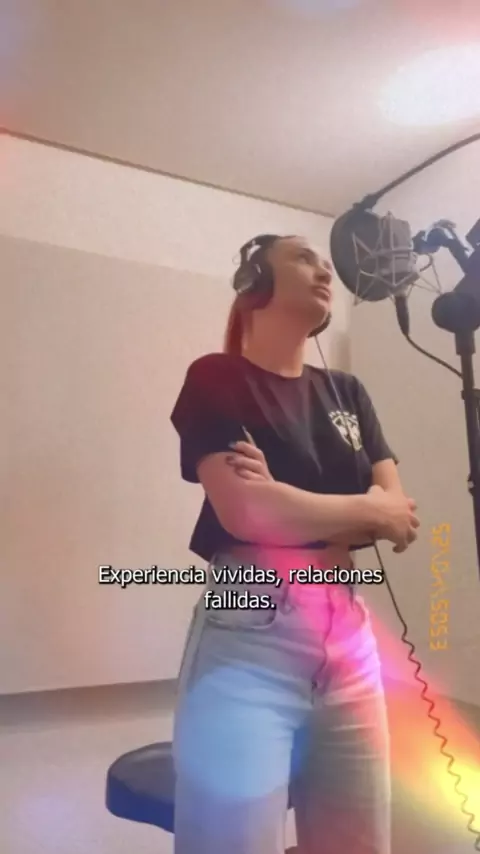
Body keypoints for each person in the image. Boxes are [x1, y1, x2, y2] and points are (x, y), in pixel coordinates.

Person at [169, 234, 420, 854]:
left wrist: (288, 501)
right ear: (254, 282)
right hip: (249, 633)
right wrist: (364, 510)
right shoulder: (216, 377)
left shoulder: (348, 392)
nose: (325, 269)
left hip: (349, 634)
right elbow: (247, 512)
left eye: (325, 262)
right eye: (305, 258)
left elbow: (400, 518)